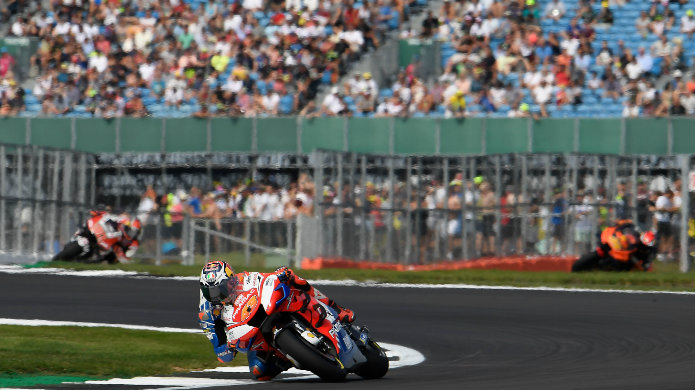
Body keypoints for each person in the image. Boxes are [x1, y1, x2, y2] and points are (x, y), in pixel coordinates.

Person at [198, 261, 355, 380]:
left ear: (232, 281)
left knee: (293, 277)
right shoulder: (207, 313)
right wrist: (229, 346)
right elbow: (221, 350)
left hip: (270, 309)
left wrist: (280, 275)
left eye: (220, 289)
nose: (216, 296)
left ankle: (338, 310)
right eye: (210, 292)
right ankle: (289, 358)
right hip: (254, 335)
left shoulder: (245, 279)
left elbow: (267, 279)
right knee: (258, 372)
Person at [53, 211, 141, 263]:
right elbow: (104, 214)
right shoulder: (120, 221)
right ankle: (75, 240)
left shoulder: (130, 242)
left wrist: (119, 254)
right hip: (96, 232)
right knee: (82, 230)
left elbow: (125, 257)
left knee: (104, 258)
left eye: (133, 232)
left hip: (104, 246)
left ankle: (91, 260)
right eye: (130, 230)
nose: (130, 233)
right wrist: (96, 212)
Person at [572, 219, 656, 272]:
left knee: (624, 265)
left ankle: (610, 269)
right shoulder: (637, 232)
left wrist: (643, 264)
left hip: (627, 259)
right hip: (621, 246)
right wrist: (620, 224)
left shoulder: (646, 253)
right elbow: (627, 226)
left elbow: (646, 265)